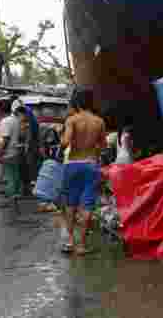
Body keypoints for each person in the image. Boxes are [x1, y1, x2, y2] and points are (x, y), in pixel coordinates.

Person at [60, 88, 106, 256]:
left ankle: (70, 241)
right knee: (87, 205)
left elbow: (65, 143)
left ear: (77, 102)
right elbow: (103, 146)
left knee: (70, 204)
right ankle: (81, 245)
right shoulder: (99, 122)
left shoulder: (72, 120)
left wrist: (63, 139)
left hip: (72, 164)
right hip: (91, 165)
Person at [0, 103, 26, 207]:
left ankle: (10, 199)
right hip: (15, 151)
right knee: (15, 175)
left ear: (0, 110)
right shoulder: (16, 120)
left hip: (8, 153)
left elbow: (5, 139)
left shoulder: (6, 121)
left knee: (10, 177)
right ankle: (15, 197)